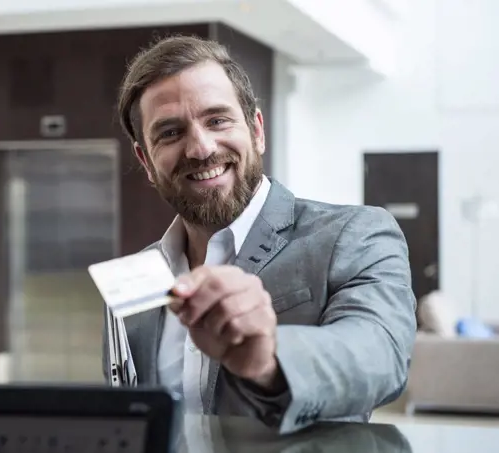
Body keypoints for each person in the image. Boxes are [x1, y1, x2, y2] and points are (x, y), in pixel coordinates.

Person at [103, 35, 417, 434]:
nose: (200, 148)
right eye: (170, 132)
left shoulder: (355, 235)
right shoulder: (136, 276)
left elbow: (380, 356)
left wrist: (268, 359)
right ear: (146, 161)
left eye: (217, 120)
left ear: (256, 130)